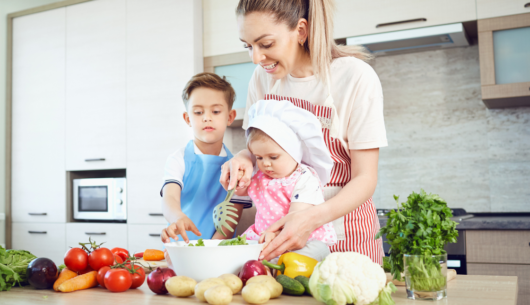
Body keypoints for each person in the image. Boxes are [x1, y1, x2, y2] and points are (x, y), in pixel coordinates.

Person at [220, 0, 387, 264]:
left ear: (300, 31)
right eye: (248, 46)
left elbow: (365, 178)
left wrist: (309, 219)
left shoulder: (355, 77)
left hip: (346, 230)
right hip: (279, 234)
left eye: (266, 44)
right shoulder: (262, 79)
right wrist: (244, 158)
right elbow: (258, 148)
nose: (256, 58)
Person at [160, 72, 252, 245]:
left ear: (230, 117)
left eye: (216, 111)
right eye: (198, 112)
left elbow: (231, 220)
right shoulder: (178, 159)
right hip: (180, 248)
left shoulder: (237, 168)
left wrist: (210, 249)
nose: (207, 117)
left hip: (218, 250)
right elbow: (169, 198)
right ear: (188, 118)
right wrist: (177, 216)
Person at [241, 100, 336, 262]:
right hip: (266, 238)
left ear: (294, 152)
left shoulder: (305, 178)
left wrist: (276, 235)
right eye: (259, 157)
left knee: (316, 251)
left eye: (273, 157)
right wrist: (239, 183)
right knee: (239, 253)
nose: (265, 163)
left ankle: (273, 266)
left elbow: (296, 216)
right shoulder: (261, 177)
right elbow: (243, 193)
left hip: (302, 240)